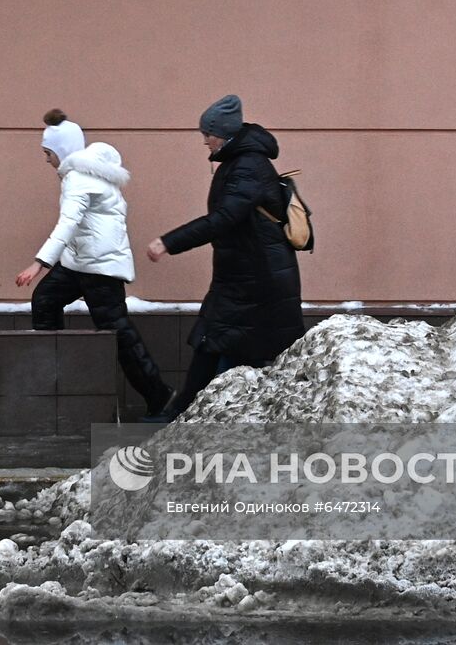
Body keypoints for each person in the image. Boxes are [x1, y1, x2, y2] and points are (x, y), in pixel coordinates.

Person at [144, 94, 305, 422]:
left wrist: (168, 242)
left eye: (208, 133)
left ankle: (183, 414)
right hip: (246, 275)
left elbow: (223, 219)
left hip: (256, 280)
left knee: (219, 344)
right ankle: (188, 413)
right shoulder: (241, 161)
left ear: (225, 133)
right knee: (218, 344)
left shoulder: (247, 166)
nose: (204, 140)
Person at [15, 109, 174, 416]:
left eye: (47, 153)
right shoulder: (87, 173)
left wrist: (39, 263)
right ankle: (56, 380)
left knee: (118, 333)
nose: (46, 159)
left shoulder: (78, 177)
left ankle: (161, 396)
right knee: (46, 301)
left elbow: (69, 221)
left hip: (99, 267)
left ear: (61, 152)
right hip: (81, 262)